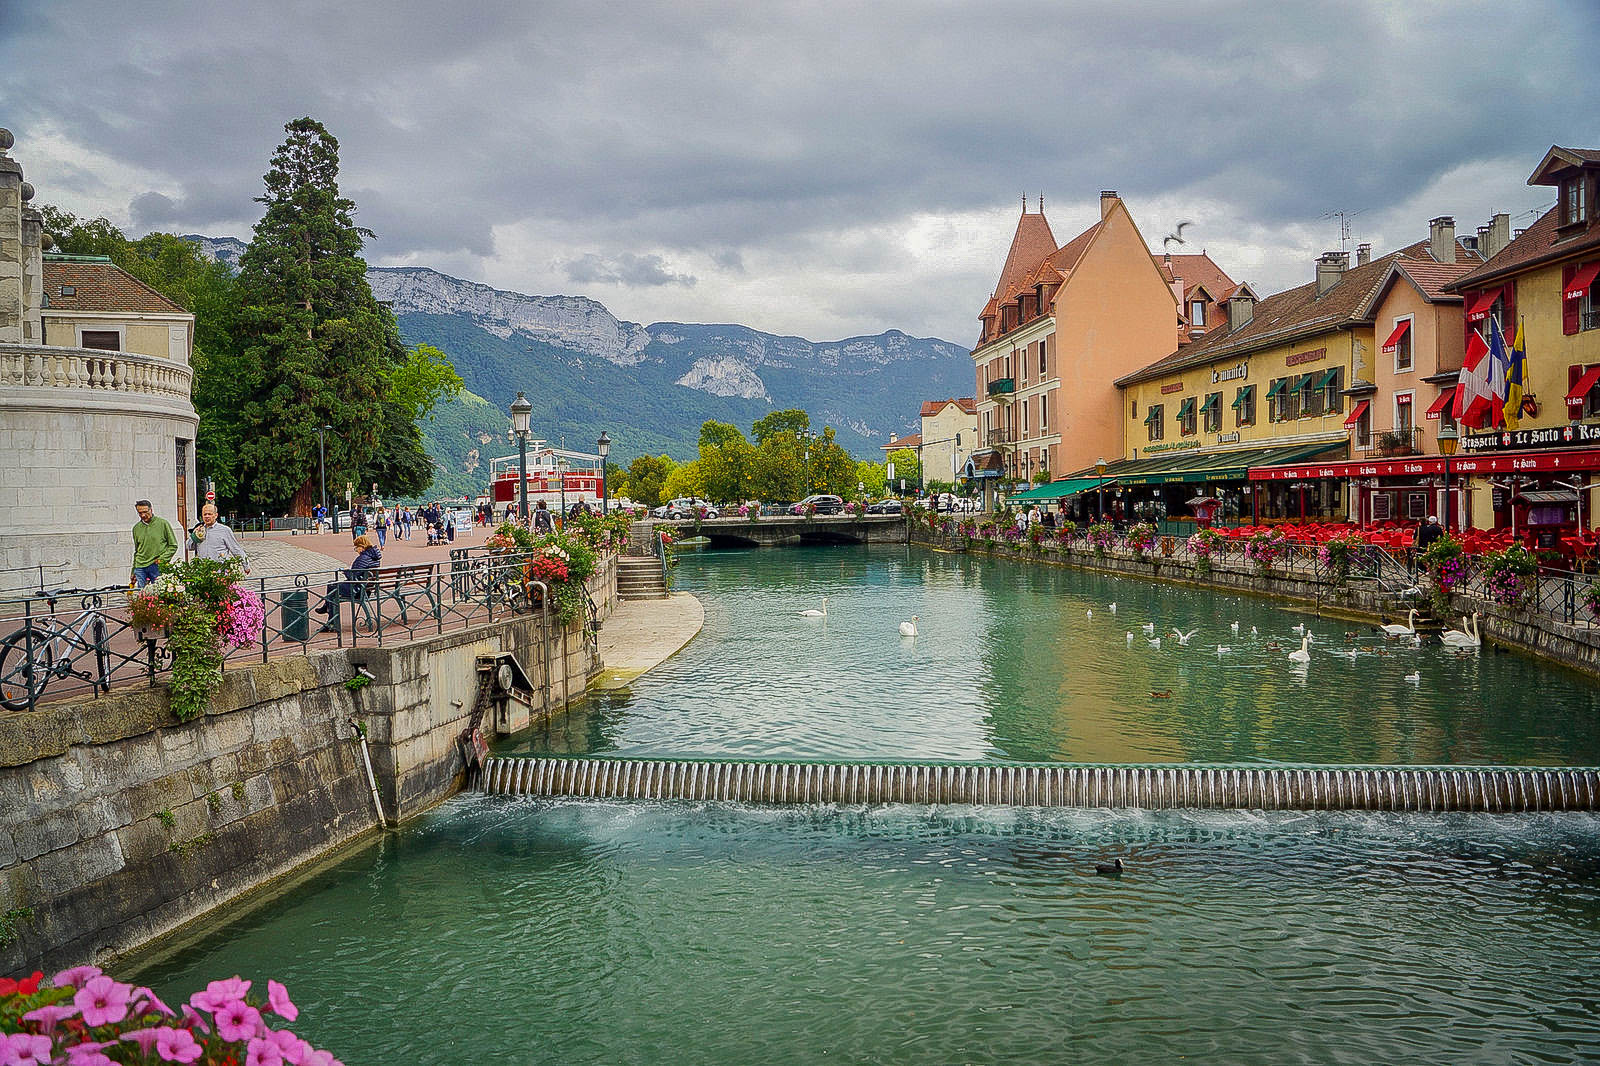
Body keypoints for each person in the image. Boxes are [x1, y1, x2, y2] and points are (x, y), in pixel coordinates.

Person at [314, 534, 382, 632]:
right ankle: (327, 611)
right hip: (367, 589)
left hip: (357, 590)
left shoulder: (363, 558)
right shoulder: (375, 558)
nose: (356, 550)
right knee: (333, 589)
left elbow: (353, 577)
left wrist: (345, 571)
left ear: (362, 547)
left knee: (332, 586)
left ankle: (330, 620)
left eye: (356, 548)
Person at [131, 500, 179, 588]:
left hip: (157, 566)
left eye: (145, 512)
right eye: (140, 513)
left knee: (159, 593)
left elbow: (173, 545)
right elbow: (137, 551)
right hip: (140, 566)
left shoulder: (163, 524)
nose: (143, 515)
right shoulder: (136, 528)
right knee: (142, 595)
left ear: (151, 510)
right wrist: (133, 570)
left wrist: (162, 559)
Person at [190, 504, 250, 572]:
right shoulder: (199, 529)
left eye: (209, 514)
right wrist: (194, 535)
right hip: (203, 570)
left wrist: (246, 565)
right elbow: (188, 546)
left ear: (216, 515)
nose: (207, 516)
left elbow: (235, 548)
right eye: (205, 514)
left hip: (220, 570)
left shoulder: (224, 530)